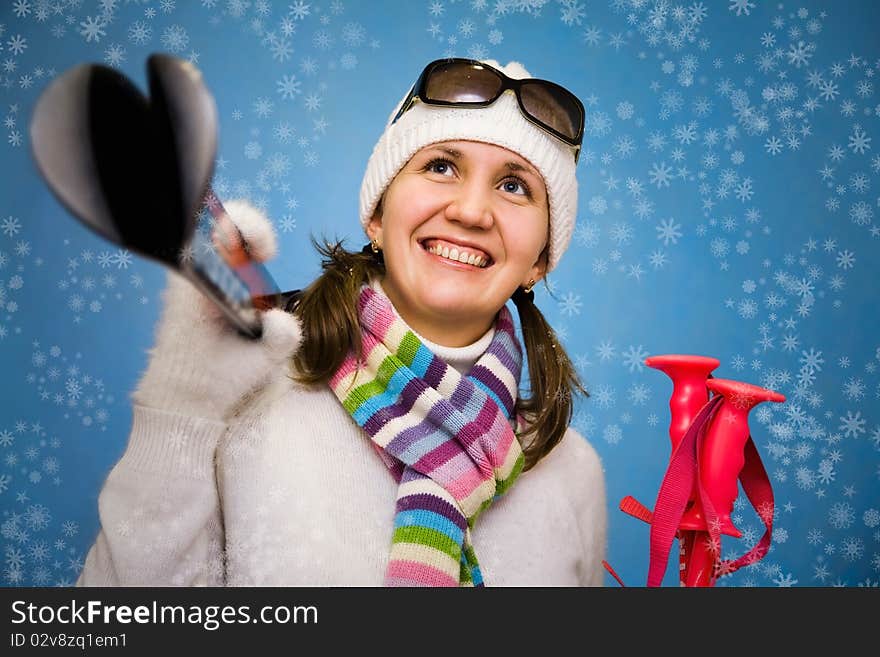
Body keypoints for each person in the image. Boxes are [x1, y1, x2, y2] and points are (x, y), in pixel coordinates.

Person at [76, 57, 607, 587]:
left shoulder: (571, 474)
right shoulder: (246, 409)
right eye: (441, 166)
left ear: (539, 260)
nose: (471, 211)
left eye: (515, 186)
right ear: (377, 214)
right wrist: (182, 408)